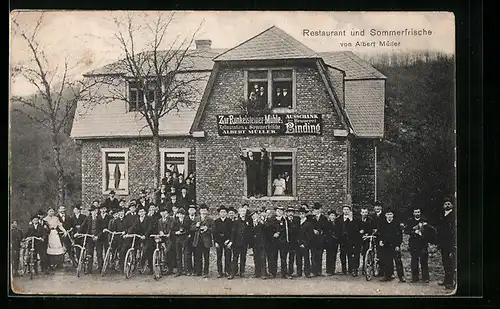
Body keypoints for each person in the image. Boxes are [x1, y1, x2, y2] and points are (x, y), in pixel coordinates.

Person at [405, 207, 434, 283]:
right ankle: (415, 278)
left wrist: (424, 232)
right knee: (414, 260)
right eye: (415, 212)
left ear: (420, 213)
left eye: (418, 212)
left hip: (423, 243)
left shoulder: (424, 220)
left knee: (424, 260)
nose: (417, 213)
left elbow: (429, 231)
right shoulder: (410, 221)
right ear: (413, 213)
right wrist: (414, 231)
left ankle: (426, 278)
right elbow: (406, 231)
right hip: (413, 243)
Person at [379, 209, 406, 283]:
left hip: (394, 245)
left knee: (398, 261)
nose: (389, 216)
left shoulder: (396, 224)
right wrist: (381, 241)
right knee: (387, 261)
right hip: (386, 245)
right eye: (388, 214)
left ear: (393, 215)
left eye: (391, 214)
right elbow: (381, 234)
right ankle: (387, 276)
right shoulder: (383, 224)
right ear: (385, 215)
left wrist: (398, 245)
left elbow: (400, 236)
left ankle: (401, 277)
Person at [437, 197, 456, 290]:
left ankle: (451, 282)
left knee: (450, 262)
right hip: (443, 243)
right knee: (445, 262)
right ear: (443, 206)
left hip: (450, 243)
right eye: (445, 204)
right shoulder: (442, 215)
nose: (447, 205)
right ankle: (446, 280)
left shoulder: (453, 215)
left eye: (449, 203)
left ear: (452, 205)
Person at [228, 207, 250, 279]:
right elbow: (233, 232)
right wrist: (231, 241)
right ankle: (233, 273)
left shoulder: (248, 220)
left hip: (245, 243)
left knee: (243, 258)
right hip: (237, 243)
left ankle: (242, 272)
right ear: (239, 212)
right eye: (241, 211)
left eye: (244, 211)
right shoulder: (236, 221)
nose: (243, 212)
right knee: (235, 258)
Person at [192, 204, 213, 278]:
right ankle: (198, 271)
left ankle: (206, 272)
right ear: (199, 211)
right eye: (202, 210)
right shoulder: (196, 218)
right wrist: (196, 226)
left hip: (206, 240)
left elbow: (213, 229)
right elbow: (192, 228)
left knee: (206, 257)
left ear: (207, 211)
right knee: (198, 256)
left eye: (205, 210)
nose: (203, 212)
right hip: (198, 240)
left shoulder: (210, 219)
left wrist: (207, 229)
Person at [78, 205, 100, 273]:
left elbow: (102, 229)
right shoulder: (88, 218)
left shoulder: (99, 218)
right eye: (92, 211)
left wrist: (98, 236)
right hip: (90, 237)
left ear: (96, 211)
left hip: (97, 238)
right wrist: (78, 232)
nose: (93, 212)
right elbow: (82, 226)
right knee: (89, 253)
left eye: (95, 211)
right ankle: (89, 269)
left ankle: (100, 268)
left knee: (99, 253)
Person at [213, 206, 232, 278]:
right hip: (219, 242)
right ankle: (220, 272)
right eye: (221, 212)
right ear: (219, 213)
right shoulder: (216, 221)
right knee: (219, 257)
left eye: (224, 212)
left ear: (226, 213)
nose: (223, 213)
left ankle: (227, 271)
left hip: (227, 241)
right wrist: (216, 242)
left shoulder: (229, 221)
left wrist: (229, 240)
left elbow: (231, 232)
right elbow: (214, 233)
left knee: (228, 257)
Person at [310, 202, 328, 277]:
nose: (317, 211)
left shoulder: (324, 218)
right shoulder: (311, 218)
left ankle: (319, 271)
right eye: (315, 209)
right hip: (313, 240)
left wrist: (321, 231)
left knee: (319, 255)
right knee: (313, 255)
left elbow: (326, 228)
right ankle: (314, 271)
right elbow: (308, 227)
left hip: (320, 240)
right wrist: (313, 230)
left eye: (318, 209)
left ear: (320, 209)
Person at [172, 208, 191, 277]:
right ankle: (179, 271)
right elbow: (172, 230)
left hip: (185, 239)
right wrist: (176, 232)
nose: (181, 216)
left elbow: (189, 229)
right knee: (178, 256)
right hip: (178, 239)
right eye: (180, 214)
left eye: (182, 214)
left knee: (186, 255)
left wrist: (186, 233)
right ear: (178, 215)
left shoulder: (187, 221)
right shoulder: (175, 221)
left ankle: (187, 270)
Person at [249, 211, 268, 279]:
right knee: (256, 259)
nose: (254, 216)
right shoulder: (251, 223)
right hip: (255, 244)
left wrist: (261, 221)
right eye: (252, 215)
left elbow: (266, 227)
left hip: (262, 243)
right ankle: (257, 273)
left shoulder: (261, 222)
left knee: (262, 258)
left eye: (255, 215)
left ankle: (263, 273)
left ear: (257, 215)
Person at [296, 206, 313, 278]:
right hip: (297, 243)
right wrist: (298, 243)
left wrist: (305, 244)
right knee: (298, 259)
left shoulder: (308, 223)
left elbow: (310, 235)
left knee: (306, 259)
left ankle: (307, 272)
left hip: (305, 244)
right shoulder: (296, 222)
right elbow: (295, 234)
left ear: (305, 214)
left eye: (303, 213)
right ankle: (299, 272)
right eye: (300, 214)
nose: (301, 215)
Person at [336, 205, 353, 275]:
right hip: (342, 240)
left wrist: (351, 219)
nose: (346, 211)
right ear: (342, 211)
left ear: (349, 211)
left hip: (350, 239)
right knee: (342, 255)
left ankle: (350, 269)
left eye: (347, 209)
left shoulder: (352, 219)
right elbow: (337, 229)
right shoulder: (339, 219)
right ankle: (344, 269)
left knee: (350, 254)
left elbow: (354, 228)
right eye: (344, 209)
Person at [157, 205, 175, 275]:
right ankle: (161, 265)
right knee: (160, 249)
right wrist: (160, 232)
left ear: (166, 212)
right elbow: (159, 229)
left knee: (168, 251)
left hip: (170, 238)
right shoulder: (160, 220)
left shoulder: (171, 219)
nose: (163, 214)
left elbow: (172, 227)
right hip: (163, 238)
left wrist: (169, 234)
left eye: (164, 212)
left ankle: (169, 269)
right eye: (161, 212)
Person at [358, 207, 374, 276]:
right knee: (356, 253)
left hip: (367, 238)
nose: (364, 214)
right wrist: (359, 232)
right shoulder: (358, 220)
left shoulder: (370, 220)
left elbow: (371, 228)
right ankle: (356, 269)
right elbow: (355, 228)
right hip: (359, 238)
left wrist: (367, 233)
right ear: (361, 213)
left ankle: (365, 268)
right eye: (363, 212)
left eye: (365, 212)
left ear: (367, 213)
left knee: (366, 252)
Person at [95, 204, 111, 272]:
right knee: (99, 252)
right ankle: (100, 266)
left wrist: (107, 230)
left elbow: (111, 226)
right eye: (102, 209)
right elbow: (96, 227)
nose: (103, 210)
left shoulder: (109, 217)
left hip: (106, 237)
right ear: (100, 210)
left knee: (107, 251)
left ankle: (107, 264)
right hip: (99, 236)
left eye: (104, 209)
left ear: (106, 209)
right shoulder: (97, 217)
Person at [325, 209, 340, 275]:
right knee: (329, 256)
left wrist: (336, 237)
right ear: (329, 216)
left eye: (334, 215)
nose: (333, 217)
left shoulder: (337, 224)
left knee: (334, 255)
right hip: (328, 242)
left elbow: (338, 232)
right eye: (331, 215)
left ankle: (333, 269)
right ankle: (328, 270)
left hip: (335, 242)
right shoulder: (327, 224)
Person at [285, 207, 299, 277]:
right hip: (286, 242)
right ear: (287, 213)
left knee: (292, 257)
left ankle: (291, 271)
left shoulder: (297, 220)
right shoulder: (284, 220)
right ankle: (284, 272)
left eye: (292, 212)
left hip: (294, 242)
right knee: (284, 257)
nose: (291, 213)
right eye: (289, 212)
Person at [185, 204, 198, 276]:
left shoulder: (197, 218)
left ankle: (196, 270)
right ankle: (189, 270)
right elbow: (185, 227)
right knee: (188, 254)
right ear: (188, 211)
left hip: (196, 238)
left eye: (193, 210)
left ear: (195, 211)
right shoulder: (186, 218)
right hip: (188, 239)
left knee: (196, 254)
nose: (192, 211)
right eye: (190, 210)